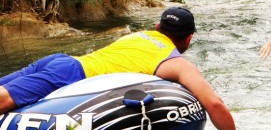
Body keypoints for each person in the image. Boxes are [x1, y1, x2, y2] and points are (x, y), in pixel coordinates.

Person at [0, 7, 236, 130]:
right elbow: (214, 103)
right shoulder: (174, 63)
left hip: (60, 60)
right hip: (72, 75)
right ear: (189, 38)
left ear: (156, 26)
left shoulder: (137, 36)